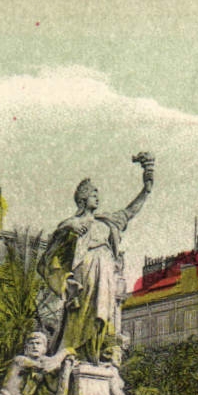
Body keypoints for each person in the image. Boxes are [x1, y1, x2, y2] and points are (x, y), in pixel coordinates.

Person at [40, 153, 154, 361]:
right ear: (82, 198)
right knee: (83, 313)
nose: (98, 197)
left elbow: (130, 212)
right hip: (86, 269)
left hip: (106, 270)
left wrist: (146, 189)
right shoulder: (73, 224)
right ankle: (76, 351)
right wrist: (69, 225)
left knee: (102, 313)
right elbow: (51, 252)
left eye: (97, 193)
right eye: (93, 193)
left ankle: (93, 356)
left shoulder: (107, 221)